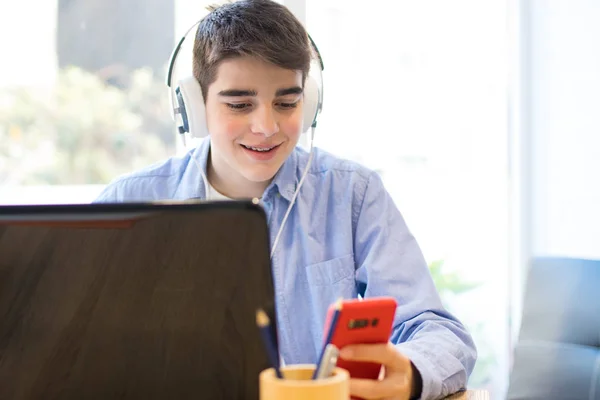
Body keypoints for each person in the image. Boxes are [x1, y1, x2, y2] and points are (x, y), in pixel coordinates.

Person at [95, 0, 477, 398]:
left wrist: (412, 372)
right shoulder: (130, 202)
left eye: (287, 102)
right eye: (239, 104)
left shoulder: (351, 195)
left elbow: (438, 331)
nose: (266, 127)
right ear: (194, 106)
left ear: (308, 104)